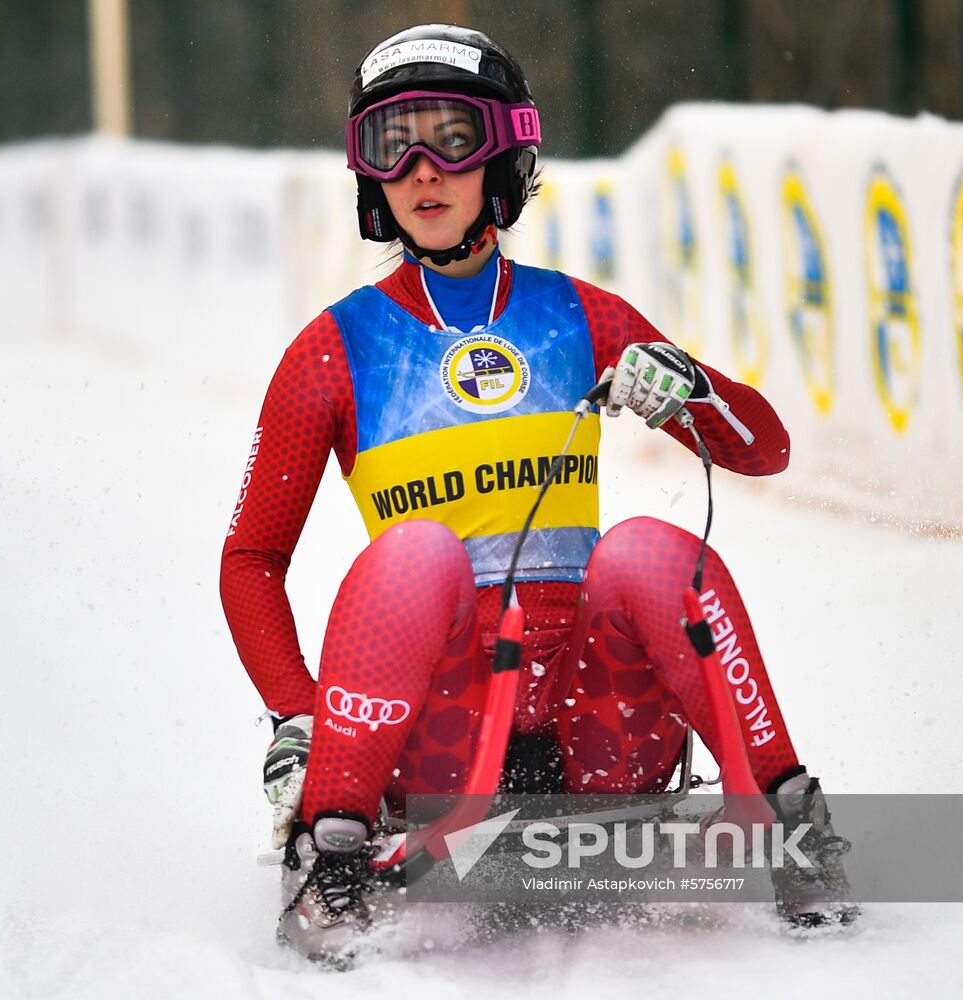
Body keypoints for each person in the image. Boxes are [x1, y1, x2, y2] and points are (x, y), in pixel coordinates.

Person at [220, 23, 857, 961]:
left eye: (452, 137)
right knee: (415, 554)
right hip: (435, 747)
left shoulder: (580, 314)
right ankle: (333, 854)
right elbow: (251, 560)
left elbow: (764, 450)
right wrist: (295, 715)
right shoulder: (330, 352)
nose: (424, 171)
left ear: (504, 159)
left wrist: (692, 386)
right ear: (370, 178)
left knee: (644, 546)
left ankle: (795, 819)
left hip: (598, 734)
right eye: (393, 146)